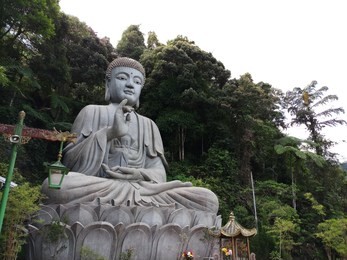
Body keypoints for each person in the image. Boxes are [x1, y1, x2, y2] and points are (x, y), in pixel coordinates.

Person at [42, 57, 219, 214]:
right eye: (122, 78)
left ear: (141, 88)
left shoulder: (149, 125)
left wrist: (138, 173)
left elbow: (159, 174)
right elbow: (70, 163)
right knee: (55, 186)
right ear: (108, 83)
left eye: (136, 81)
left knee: (207, 199)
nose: (129, 84)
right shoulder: (92, 112)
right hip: (101, 185)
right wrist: (110, 133)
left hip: (142, 190)